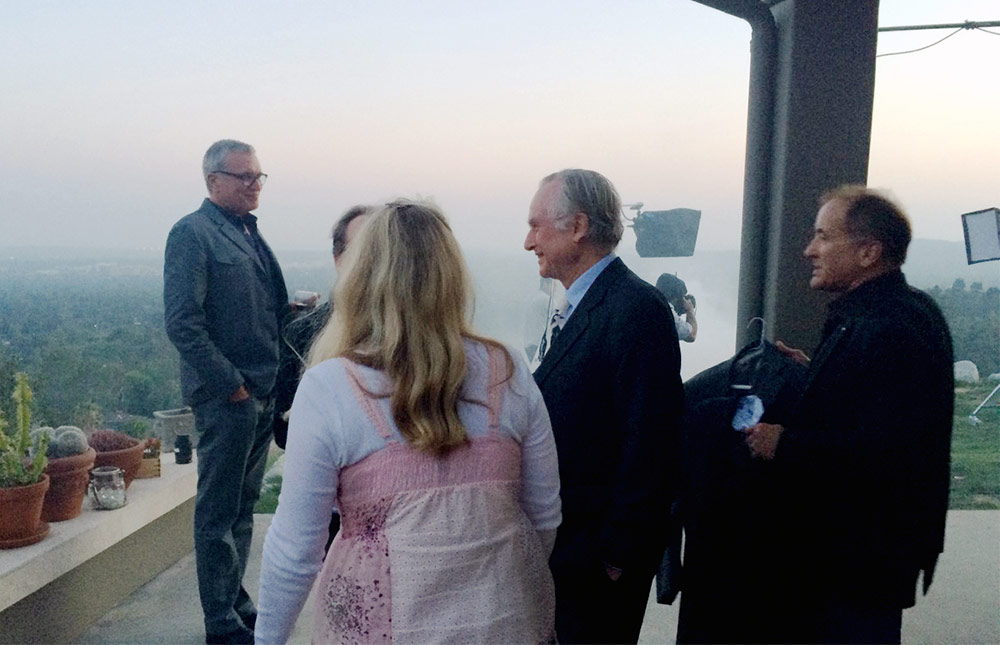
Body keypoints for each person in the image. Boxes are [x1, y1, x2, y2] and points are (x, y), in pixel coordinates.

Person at [256, 199, 562, 644]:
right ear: (451, 276)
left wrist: (267, 639)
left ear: (361, 277)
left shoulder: (329, 387)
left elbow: (295, 550)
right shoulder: (507, 370)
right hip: (504, 623)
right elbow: (543, 519)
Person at [744, 185, 954, 644]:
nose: (808, 250)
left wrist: (784, 443)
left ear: (868, 252)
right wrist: (812, 374)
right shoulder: (899, 312)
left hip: (856, 564)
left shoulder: (888, 329)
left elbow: (890, 457)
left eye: (823, 236)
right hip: (859, 560)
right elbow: (869, 405)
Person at [525, 169, 683, 643]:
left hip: (596, 563)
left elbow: (652, 443)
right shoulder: (581, 304)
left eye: (536, 225)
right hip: (569, 553)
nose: (528, 241)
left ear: (577, 227)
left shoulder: (636, 309)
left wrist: (614, 557)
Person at [164, 139, 287, 644]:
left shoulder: (247, 233)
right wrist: (233, 387)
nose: (255, 184)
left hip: (261, 394)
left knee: (243, 507)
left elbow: (252, 311)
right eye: (244, 177)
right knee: (217, 513)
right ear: (214, 181)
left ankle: (235, 603)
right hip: (229, 400)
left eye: (259, 176)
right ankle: (220, 622)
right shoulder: (192, 234)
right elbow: (183, 323)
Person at [654, 272, 698, 342]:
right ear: (676, 296)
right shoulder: (666, 310)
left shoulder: (649, 303)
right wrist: (690, 310)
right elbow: (691, 335)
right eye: (682, 296)